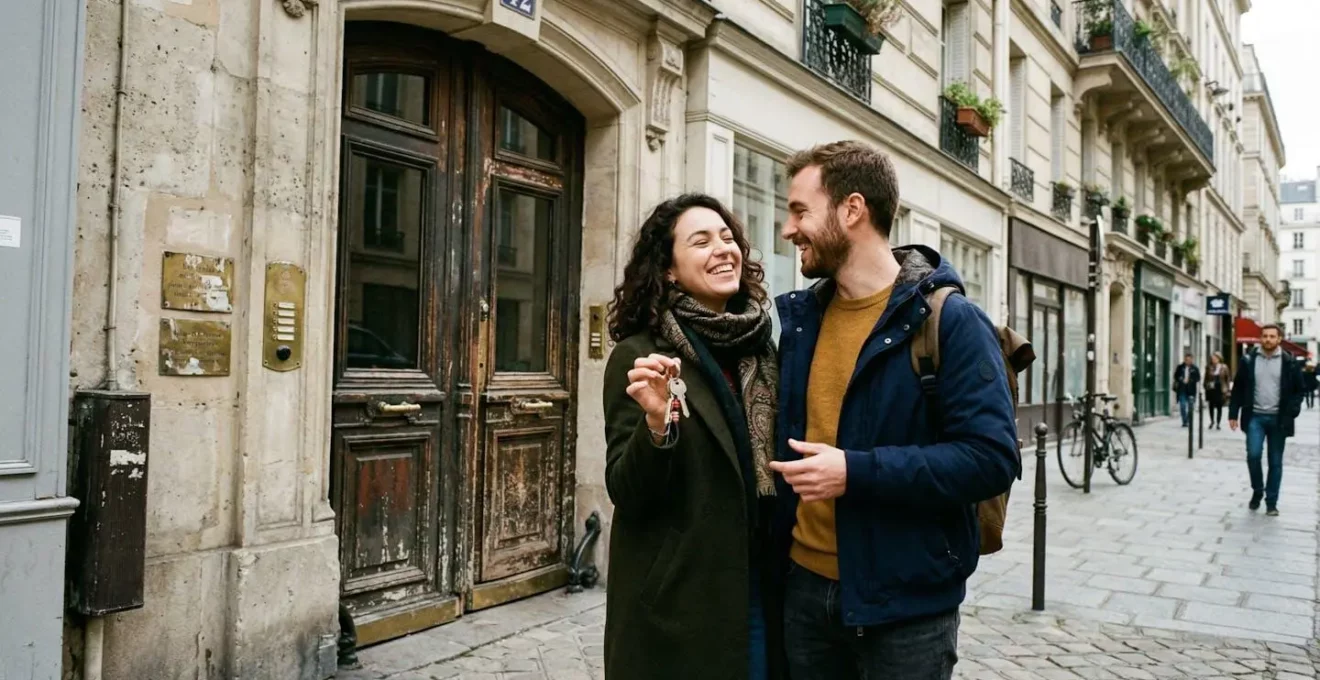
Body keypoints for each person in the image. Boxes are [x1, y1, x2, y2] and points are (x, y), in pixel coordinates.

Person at [767, 140, 1019, 680]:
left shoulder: (951, 321)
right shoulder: (801, 320)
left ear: (852, 210)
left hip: (906, 608)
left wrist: (855, 471)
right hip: (805, 595)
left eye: (800, 211)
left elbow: (991, 458)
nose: (788, 229)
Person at [602, 193, 784, 680]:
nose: (723, 249)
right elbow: (627, 490)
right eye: (701, 241)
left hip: (757, 583)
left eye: (728, 238)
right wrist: (656, 426)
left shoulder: (761, 349)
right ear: (668, 270)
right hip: (682, 598)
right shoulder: (642, 357)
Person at [1228, 324, 1305, 516]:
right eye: (1265, 336)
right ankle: (1257, 490)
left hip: (1279, 419)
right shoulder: (1248, 360)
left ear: (1279, 339)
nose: (1268, 339)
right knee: (1253, 455)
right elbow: (1238, 388)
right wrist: (1232, 414)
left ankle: (1271, 502)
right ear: (1260, 338)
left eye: (1272, 336)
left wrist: (1292, 412)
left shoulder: (1289, 362)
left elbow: (1299, 390)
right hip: (1255, 417)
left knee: (1275, 461)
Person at [1203, 352, 1230, 429]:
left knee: (1219, 406)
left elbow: (1227, 379)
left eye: (1215, 358)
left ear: (1219, 359)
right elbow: (1206, 378)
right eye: (1212, 359)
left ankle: (1218, 423)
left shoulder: (1224, 367)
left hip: (1220, 389)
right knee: (1211, 406)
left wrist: (1227, 389)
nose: (1213, 360)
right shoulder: (1209, 367)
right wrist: (1205, 386)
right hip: (1211, 389)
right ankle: (1212, 421)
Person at [1173, 353, 1201, 427]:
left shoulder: (1195, 368)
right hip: (1182, 389)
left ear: (1192, 360)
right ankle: (1184, 421)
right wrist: (1181, 379)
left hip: (1191, 390)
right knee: (1182, 405)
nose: (1187, 361)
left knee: (1190, 407)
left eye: (1189, 360)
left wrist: (1190, 380)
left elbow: (1198, 378)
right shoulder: (1180, 367)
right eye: (1186, 360)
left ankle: (1188, 419)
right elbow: (1175, 376)